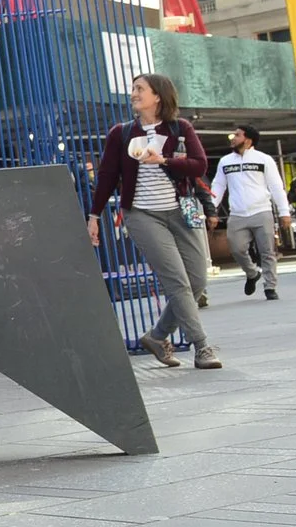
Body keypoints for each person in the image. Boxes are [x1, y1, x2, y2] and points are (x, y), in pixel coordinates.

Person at [90, 71, 223, 371]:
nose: (134, 93)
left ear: (158, 96)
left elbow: (200, 165)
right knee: (177, 281)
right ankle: (202, 347)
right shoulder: (120, 133)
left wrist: (163, 160)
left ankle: (157, 335)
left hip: (180, 212)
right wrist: (94, 215)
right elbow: (108, 176)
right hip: (142, 214)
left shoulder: (180, 128)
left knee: (198, 279)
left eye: (140, 89)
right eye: (133, 88)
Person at [210, 123, 289, 301]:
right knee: (236, 248)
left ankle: (270, 287)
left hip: (262, 211)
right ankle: (252, 273)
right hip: (237, 214)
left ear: (248, 140)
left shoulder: (264, 159)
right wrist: (211, 209)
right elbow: (218, 186)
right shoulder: (225, 161)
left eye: (237, 135)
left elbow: (276, 187)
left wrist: (284, 212)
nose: (233, 138)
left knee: (267, 251)